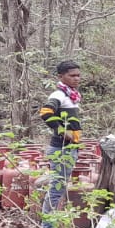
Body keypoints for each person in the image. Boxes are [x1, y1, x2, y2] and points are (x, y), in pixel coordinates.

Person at [39, 61, 83, 219]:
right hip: (61, 149)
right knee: (56, 192)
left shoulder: (71, 96)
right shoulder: (58, 95)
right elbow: (45, 112)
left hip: (70, 149)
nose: (76, 78)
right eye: (72, 76)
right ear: (61, 76)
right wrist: (61, 130)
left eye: (78, 75)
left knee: (60, 189)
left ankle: (55, 226)